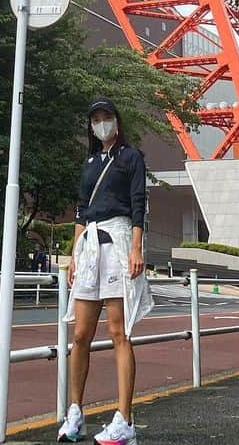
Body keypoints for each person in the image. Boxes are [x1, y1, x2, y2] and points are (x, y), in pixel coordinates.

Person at [58, 99, 152, 445]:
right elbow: (81, 211)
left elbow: (139, 203)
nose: (101, 124)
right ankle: (75, 413)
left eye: (106, 118)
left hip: (118, 241)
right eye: (95, 119)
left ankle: (125, 420)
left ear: (116, 120)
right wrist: (73, 255)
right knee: (80, 334)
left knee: (118, 333)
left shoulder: (131, 157)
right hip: (90, 246)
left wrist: (136, 249)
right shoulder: (89, 163)